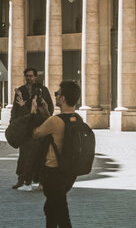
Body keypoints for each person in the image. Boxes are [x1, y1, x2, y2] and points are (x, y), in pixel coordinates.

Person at [29, 80, 88, 228]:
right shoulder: (78, 119)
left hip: (52, 173)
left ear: (62, 98)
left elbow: (35, 133)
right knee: (50, 208)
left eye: (57, 94)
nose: (55, 96)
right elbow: (57, 127)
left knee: (62, 215)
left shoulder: (54, 121)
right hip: (69, 173)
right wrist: (47, 113)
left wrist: (33, 111)